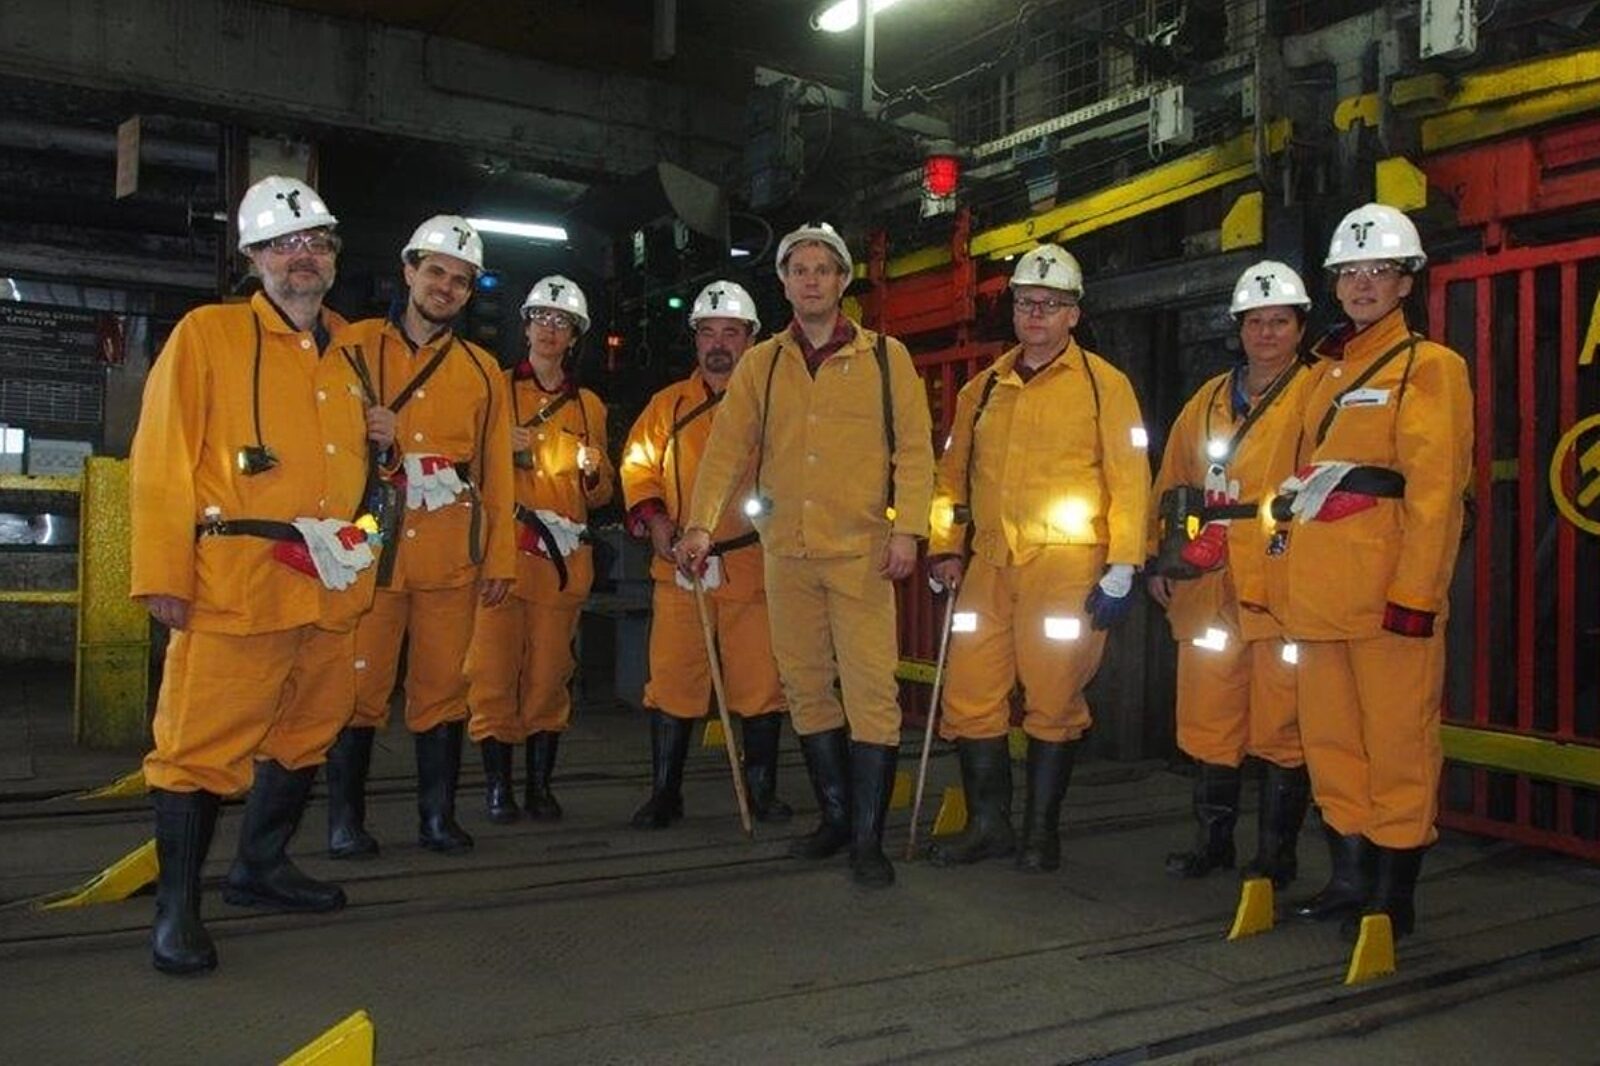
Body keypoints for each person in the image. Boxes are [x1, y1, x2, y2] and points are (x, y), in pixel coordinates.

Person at [130, 175, 385, 974]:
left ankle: (261, 865)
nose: (301, 256)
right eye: (282, 244)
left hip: (332, 582)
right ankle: (177, 912)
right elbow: (161, 457)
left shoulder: (348, 353)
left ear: (333, 256)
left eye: (315, 242)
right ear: (253, 258)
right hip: (238, 581)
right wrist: (162, 573)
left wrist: (383, 444)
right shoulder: (207, 335)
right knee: (198, 746)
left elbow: (354, 470)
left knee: (309, 729)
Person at [676, 222, 934, 888]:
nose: (811, 280)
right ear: (785, 284)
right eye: (799, 270)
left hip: (861, 555)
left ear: (843, 281)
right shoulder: (762, 364)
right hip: (786, 553)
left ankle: (868, 841)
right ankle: (836, 819)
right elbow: (726, 451)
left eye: (823, 269)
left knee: (871, 692)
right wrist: (700, 526)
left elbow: (913, 450)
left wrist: (908, 530)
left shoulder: (886, 359)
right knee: (805, 686)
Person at [1275, 204, 1472, 940]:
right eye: (1350, 272)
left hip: (1389, 600)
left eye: (1379, 271)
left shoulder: (1430, 367)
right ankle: (1349, 879)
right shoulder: (1321, 374)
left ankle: (1393, 895)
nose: (1362, 284)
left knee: (1397, 744)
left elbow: (1436, 490)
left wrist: (1417, 594)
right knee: (1330, 746)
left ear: (1406, 282)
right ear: (1334, 283)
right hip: (1319, 595)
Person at [925, 244, 1150, 873]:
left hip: (1067, 568)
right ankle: (989, 826)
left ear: (1074, 314)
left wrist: (1124, 565)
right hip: (989, 564)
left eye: (1051, 305)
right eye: (1027, 303)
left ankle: (1039, 835)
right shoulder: (983, 389)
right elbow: (950, 478)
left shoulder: (1106, 387)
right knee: (969, 695)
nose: (1036, 314)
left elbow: (1130, 476)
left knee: (1053, 699)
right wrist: (944, 547)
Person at [323, 215, 515, 857]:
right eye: (435, 272)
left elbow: (495, 472)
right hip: (369, 553)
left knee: (444, 689)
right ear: (408, 271)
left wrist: (499, 559)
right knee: (357, 688)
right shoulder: (351, 346)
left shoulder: (483, 371)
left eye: (460, 281)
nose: (445, 287)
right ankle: (345, 822)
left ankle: (437, 818)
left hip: (450, 557)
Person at [1147, 260, 1314, 885]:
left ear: (1300, 327)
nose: (1266, 333)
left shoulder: (1316, 392)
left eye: (1279, 321)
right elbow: (1172, 482)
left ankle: (1275, 856)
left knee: (1281, 721)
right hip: (1208, 574)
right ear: (1238, 328)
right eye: (1255, 322)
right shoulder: (1208, 400)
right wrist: (1158, 558)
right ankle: (1212, 844)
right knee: (1210, 716)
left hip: (1281, 576)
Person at [620, 281, 792, 828]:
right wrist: (657, 521)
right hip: (681, 568)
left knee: (761, 685)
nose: (719, 344)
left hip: (752, 564)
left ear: (751, 339)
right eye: (708, 332)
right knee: (673, 680)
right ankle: (665, 793)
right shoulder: (667, 405)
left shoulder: (774, 403)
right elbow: (638, 466)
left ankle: (761, 791)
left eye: (731, 333)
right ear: (695, 339)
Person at [465, 275, 614, 820]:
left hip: (561, 565)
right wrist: (496, 450)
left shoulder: (589, 406)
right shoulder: (493, 390)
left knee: (550, 673)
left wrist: (594, 472)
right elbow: (462, 471)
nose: (550, 330)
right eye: (542, 319)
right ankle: (497, 787)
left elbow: (602, 494)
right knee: (492, 672)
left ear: (574, 336)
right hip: (503, 557)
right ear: (525, 326)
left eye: (562, 323)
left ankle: (539, 786)